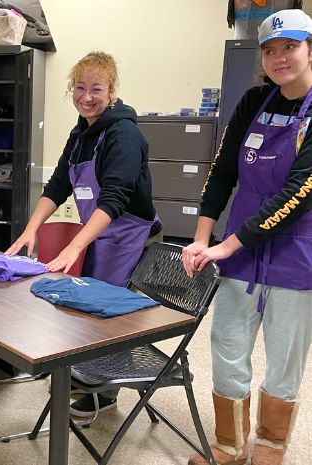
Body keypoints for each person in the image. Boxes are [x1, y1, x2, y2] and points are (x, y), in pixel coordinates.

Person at [183, 10, 312, 465]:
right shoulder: (254, 101)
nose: (280, 57)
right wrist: (202, 236)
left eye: (290, 47)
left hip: (298, 254)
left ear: (310, 49)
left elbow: (296, 195)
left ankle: (271, 445)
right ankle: (230, 443)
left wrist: (224, 245)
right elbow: (221, 172)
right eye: (271, 50)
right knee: (228, 346)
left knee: (285, 359)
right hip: (239, 254)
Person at [5, 51, 163, 417]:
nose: (86, 97)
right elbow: (59, 183)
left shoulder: (124, 135)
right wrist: (31, 229)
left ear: (111, 91)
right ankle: (85, 377)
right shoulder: (81, 133)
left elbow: (115, 198)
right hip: (99, 232)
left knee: (106, 312)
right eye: (79, 88)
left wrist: (76, 245)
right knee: (86, 307)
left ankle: (102, 393)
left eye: (96, 89)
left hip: (128, 234)